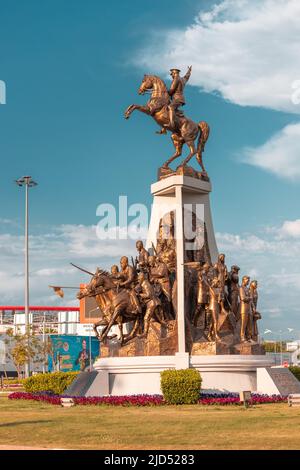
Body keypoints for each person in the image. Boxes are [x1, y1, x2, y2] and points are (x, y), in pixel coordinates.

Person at [136, 272, 161, 337]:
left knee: (146, 318)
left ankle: (145, 334)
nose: (138, 279)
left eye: (139, 278)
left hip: (152, 303)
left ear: (142, 278)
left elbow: (148, 295)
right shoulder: (143, 284)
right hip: (151, 303)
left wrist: (139, 295)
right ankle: (168, 326)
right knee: (159, 319)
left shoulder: (145, 284)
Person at [167, 66, 192, 131]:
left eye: (172, 73)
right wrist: (189, 71)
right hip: (180, 99)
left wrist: (165, 92)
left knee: (170, 107)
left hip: (177, 99)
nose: (171, 75)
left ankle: (171, 124)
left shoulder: (176, 79)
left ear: (175, 73)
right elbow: (187, 77)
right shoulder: (183, 79)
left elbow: (172, 90)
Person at [239, 276, 252, 342]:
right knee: (243, 324)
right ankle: (242, 337)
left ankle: (249, 337)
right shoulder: (241, 288)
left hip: (248, 308)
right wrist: (249, 298)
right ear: (243, 280)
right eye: (247, 280)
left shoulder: (247, 288)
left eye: (249, 280)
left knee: (249, 324)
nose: (248, 281)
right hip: (243, 308)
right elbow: (243, 298)